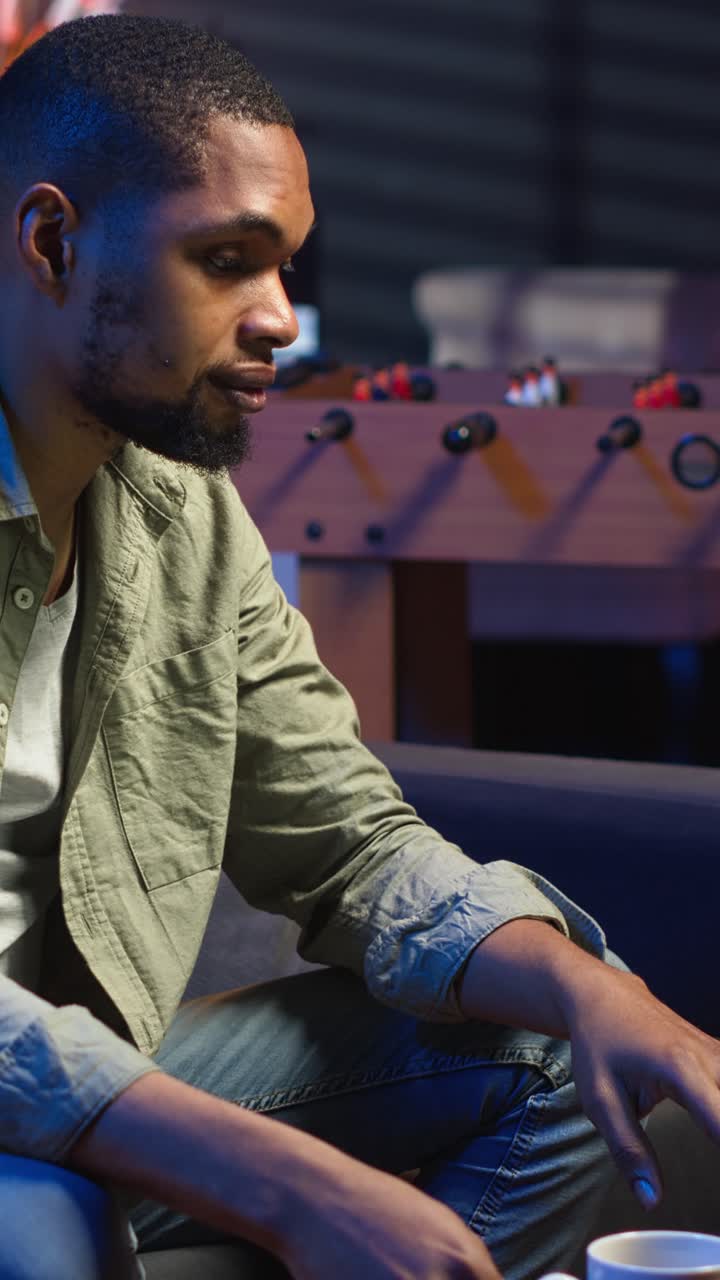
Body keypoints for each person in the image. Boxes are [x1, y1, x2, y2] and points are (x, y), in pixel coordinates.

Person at [0, 14, 719, 1280]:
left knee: (561, 1041)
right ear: (53, 242)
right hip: (39, 1115)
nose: (281, 317)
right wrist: (283, 1178)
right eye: (227, 260)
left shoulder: (185, 511)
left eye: (286, 265)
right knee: (49, 1231)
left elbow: (346, 840)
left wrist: (584, 985)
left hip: (102, 1069)